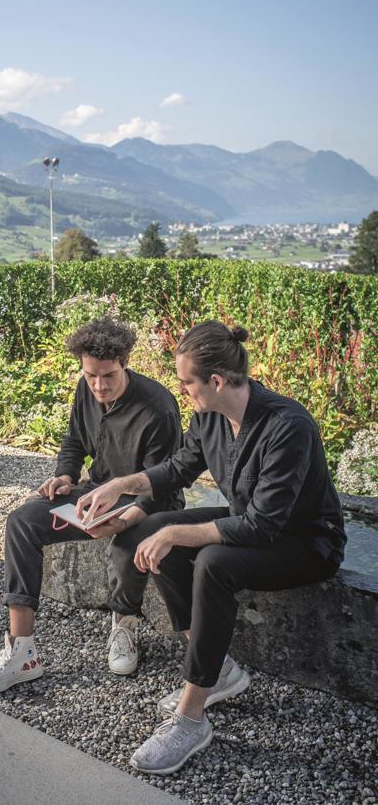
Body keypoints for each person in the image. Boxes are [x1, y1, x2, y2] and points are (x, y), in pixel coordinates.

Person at [77, 320, 346, 776]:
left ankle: (191, 717)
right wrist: (120, 485)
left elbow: (262, 527)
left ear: (216, 381)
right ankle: (217, 668)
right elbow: (175, 470)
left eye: (186, 382)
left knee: (213, 560)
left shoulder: (288, 426)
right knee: (155, 526)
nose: (181, 390)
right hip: (251, 525)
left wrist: (179, 535)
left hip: (305, 543)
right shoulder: (209, 418)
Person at [0, 316, 184, 694]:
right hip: (96, 493)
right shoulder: (86, 391)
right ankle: (22, 651)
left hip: (149, 502)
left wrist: (125, 518)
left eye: (108, 376)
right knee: (22, 522)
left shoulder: (158, 408)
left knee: (127, 543)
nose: (99, 385)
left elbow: (165, 484)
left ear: (125, 362)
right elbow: (73, 443)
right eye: (90, 376)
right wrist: (64, 476)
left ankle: (124, 627)